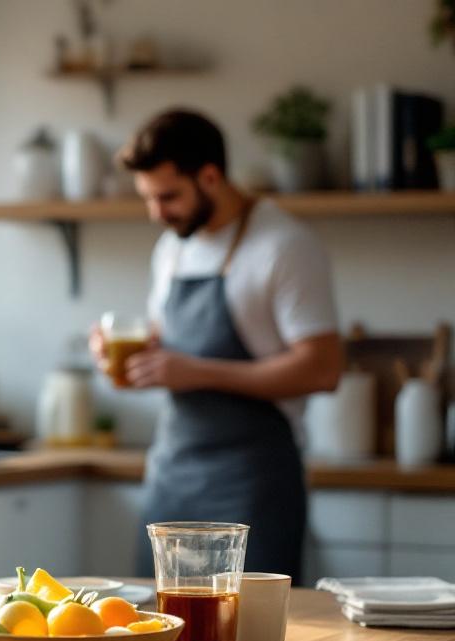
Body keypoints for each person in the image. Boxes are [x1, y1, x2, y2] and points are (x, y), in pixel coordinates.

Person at [91, 109, 343, 582]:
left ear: (210, 176)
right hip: (171, 473)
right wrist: (125, 357)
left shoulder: (284, 246)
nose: (156, 214)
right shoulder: (172, 248)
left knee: (250, 635)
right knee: (157, 627)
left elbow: (323, 368)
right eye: (148, 198)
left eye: (168, 197)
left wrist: (198, 372)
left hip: (254, 484)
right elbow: (167, 343)